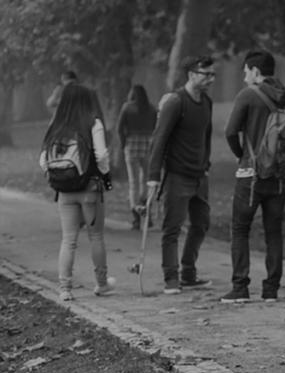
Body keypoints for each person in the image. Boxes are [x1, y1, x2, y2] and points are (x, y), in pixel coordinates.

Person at [221, 50, 285, 303]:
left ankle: (240, 287)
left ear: (255, 71)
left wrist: (240, 154)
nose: (245, 77)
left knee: (240, 229)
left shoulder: (248, 95)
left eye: (246, 72)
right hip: (279, 177)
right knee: (273, 231)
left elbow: (231, 131)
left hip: (251, 174)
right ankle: (271, 290)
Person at [147, 55, 218, 295]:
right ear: (191, 75)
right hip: (177, 175)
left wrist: (206, 162)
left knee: (201, 223)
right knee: (172, 227)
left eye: (212, 74)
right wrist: (153, 176)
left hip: (200, 175)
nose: (210, 79)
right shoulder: (176, 102)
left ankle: (189, 273)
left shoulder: (207, 102)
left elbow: (206, 136)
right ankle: (171, 278)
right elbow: (159, 139)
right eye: (205, 74)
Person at [39, 84, 113, 301]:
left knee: (68, 240)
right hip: (90, 188)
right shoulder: (93, 123)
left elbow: (42, 159)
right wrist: (105, 174)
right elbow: (101, 155)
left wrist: (54, 176)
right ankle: (101, 284)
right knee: (96, 236)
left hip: (64, 192)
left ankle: (65, 288)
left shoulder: (56, 125)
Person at [116, 84, 158, 230]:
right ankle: (146, 210)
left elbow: (120, 128)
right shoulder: (152, 108)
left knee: (133, 182)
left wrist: (123, 144)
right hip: (147, 144)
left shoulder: (127, 108)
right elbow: (157, 127)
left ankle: (135, 215)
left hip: (132, 144)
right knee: (146, 180)